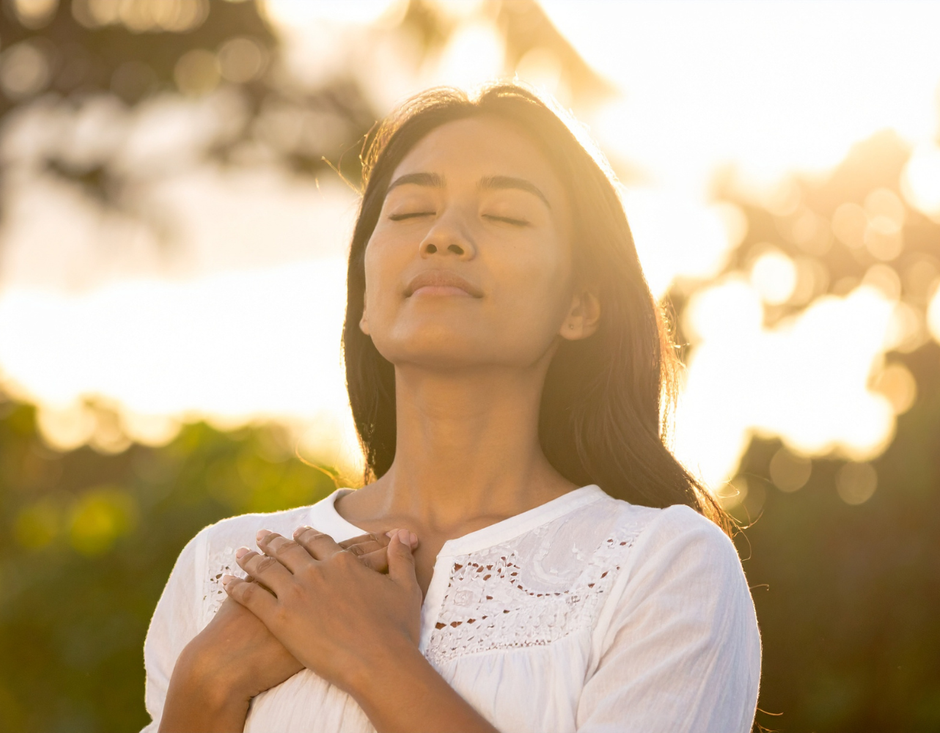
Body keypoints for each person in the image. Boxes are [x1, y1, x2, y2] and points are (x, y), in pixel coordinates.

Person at [140, 81, 761, 733]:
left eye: (506, 215)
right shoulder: (226, 565)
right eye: (409, 212)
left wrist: (372, 656)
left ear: (581, 305)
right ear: (365, 298)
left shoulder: (661, 565)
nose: (443, 236)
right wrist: (206, 685)